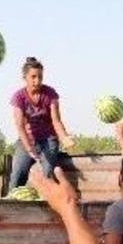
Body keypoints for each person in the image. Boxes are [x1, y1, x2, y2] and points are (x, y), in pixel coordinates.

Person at [8, 56, 76, 192]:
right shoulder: (18, 97)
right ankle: (11, 202)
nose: (37, 81)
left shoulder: (50, 94)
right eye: (33, 77)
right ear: (24, 78)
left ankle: (49, 204)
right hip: (27, 140)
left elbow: (56, 120)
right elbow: (20, 126)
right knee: (18, 174)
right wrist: (29, 149)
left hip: (48, 139)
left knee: (49, 171)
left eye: (40, 77)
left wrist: (64, 137)